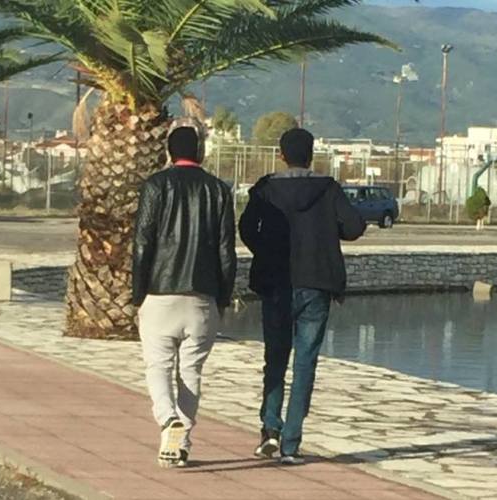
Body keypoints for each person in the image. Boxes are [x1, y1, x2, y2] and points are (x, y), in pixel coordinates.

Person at [239, 128, 366, 465]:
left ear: (281, 155)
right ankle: (292, 443)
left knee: (275, 358)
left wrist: (265, 250)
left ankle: (270, 429)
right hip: (317, 283)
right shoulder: (328, 189)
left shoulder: (266, 189)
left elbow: (246, 228)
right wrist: (328, 231)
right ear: (311, 156)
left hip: (276, 283)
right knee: (305, 362)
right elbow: (354, 226)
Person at [133, 117, 236, 468]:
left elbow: (142, 243)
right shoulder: (218, 190)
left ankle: (168, 420)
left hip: (160, 292)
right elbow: (226, 250)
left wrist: (138, 293)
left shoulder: (156, 185)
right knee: (190, 372)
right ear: (200, 152)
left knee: (158, 366)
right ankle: (182, 442)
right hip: (202, 296)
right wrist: (223, 297)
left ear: (169, 151)